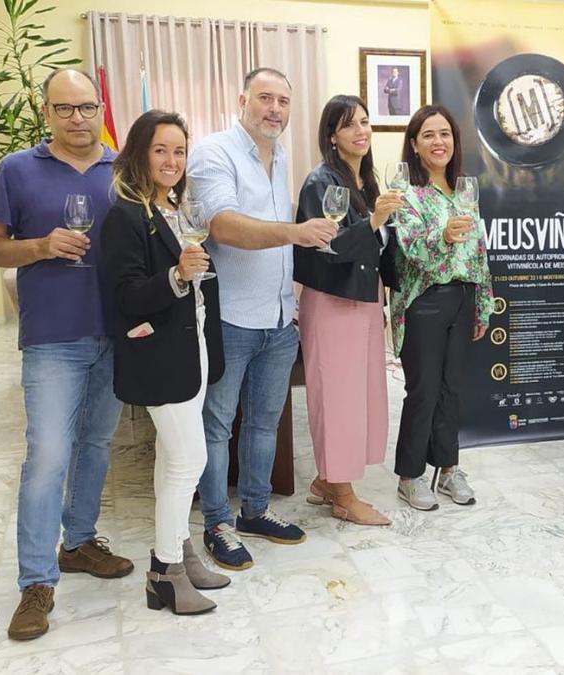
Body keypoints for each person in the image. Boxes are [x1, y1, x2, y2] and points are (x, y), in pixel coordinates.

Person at [0, 68, 133, 642]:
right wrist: (40, 247)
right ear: (47, 113)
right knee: (46, 458)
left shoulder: (124, 170)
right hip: (52, 340)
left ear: (99, 109)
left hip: (114, 336)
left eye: (87, 107)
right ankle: (36, 582)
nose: (78, 118)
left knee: (95, 444)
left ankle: (81, 541)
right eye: (64, 109)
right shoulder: (16, 170)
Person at [187, 68, 338, 570]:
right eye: (265, 98)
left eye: (283, 101)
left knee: (265, 424)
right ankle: (216, 523)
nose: (275, 109)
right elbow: (224, 226)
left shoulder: (279, 157)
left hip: (278, 317)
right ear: (242, 100)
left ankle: (254, 511)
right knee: (217, 424)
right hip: (230, 315)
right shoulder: (214, 151)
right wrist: (296, 232)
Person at [101, 110, 232, 615]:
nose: (172, 160)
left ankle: (181, 553)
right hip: (157, 355)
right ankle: (164, 572)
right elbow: (127, 295)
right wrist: (177, 275)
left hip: (190, 344)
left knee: (171, 462)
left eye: (179, 151)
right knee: (189, 460)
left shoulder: (177, 210)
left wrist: (190, 276)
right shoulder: (125, 215)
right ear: (139, 153)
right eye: (161, 150)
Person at [294, 95, 401, 526]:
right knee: (337, 397)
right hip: (333, 301)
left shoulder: (367, 182)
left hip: (364, 299)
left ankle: (326, 480)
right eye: (349, 125)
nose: (361, 131)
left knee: (361, 393)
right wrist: (374, 222)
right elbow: (328, 245)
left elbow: (380, 243)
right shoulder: (321, 182)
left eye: (365, 122)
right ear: (332, 137)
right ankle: (342, 495)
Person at [391, 104, 493, 510]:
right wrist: (444, 237)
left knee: (452, 391)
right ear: (414, 145)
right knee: (423, 391)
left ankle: (448, 469)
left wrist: (483, 306)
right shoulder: (407, 196)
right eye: (429, 135)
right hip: (425, 302)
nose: (439, 142)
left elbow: (481, 252)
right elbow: (411, 251)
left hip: (464, 297)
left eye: (445, 134)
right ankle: (409, 476)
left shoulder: (464, 191)